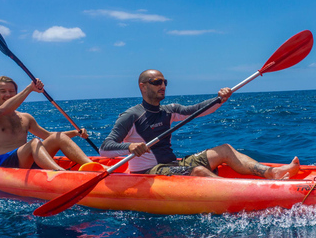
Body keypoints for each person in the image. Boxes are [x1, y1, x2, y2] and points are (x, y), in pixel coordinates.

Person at [100, 69, 299, 179]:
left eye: (164, 82)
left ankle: (272, 173)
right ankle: (238, 193)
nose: (163, 86)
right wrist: (130, 147)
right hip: (147, 173)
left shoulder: (168, 110)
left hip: (171, 165)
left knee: (225, 150)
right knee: (198, 172)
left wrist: (221, 98)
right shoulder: (131, 116)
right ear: (143, 87)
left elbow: (197, 110)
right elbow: (105, 149)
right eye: (156, 82)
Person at [0, 75, 91, 170]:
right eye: (3, 91)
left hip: (24, 162)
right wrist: (30, 88)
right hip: (0, 164)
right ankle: (60, 172)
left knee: (59, 137)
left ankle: (93, 166)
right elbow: (3, 110)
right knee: (34, 142)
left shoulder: (25, 118)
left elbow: (48, 136)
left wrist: (75, 133)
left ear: (16, 94)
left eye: (11, 91)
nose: (8, 94)